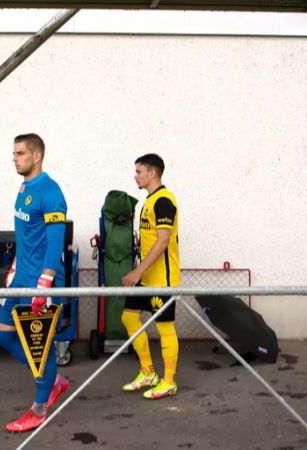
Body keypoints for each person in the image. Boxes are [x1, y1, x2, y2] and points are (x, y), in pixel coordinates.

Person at [0, 133, 70, 433]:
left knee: (42, 349)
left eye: (21, 153)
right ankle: (52, 380)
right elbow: (27, 238)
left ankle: (39, 408)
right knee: (3, 336)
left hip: (41, 284)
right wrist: (15, 267)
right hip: (20, 281)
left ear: (37, 156)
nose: (15, 158)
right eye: (14, 153)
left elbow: (55, 242)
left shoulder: (50, 191)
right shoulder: (25, 187)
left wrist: (46, 282)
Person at [120, 153, 181, 400]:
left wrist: (137, 271)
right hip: (145, 278)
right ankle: (148, 372)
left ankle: (168, 382)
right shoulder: (149, 200)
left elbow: (163, 241)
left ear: (152, 173)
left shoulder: (164, 200)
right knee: (129, 318)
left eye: (139, 171)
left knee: (165, 327)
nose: (135, 176)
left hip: (161, 280)